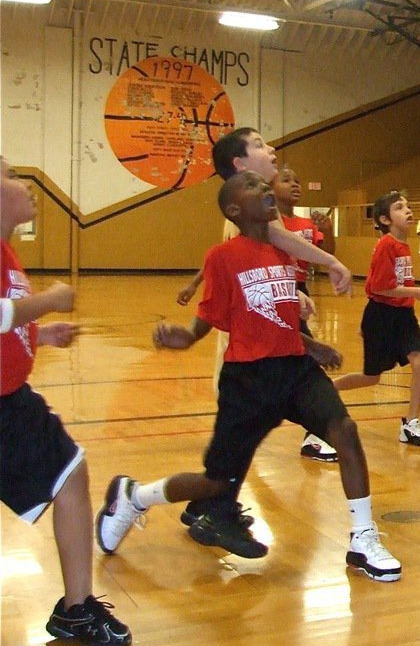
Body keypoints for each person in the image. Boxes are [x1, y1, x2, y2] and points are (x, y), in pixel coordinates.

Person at [98, 171, 402, 582]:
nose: (264, 189)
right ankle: (135, 496)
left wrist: (312, 346)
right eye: (253, 187)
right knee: (213, 483)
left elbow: (272, 317)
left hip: (295, 370)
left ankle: (363, 538)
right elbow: (212, 319)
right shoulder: (222, 257)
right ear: (234, 210)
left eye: (265, 185)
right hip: (248, 381)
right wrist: (185, 337)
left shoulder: (284, 253)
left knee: (344, 430)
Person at [0, 156, 133, 646]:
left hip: (12, 402)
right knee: (70, 474)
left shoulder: (7, 253)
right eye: (10, 175)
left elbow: (7, 318)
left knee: (71, 471)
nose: (25, 183)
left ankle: (77, 609)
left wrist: (40, 332)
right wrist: (51, 300)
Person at [176, 128, 350, 469]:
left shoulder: (261, 210)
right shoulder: (247, 216)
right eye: (259, 145)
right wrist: (328, 264)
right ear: (240, 164)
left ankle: (213, 499)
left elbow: (277, 250)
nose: (271, 149)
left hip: (269, 347)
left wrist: (292, 292)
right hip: (250, 357)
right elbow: (242, 287)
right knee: (229, 458)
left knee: (237, 455)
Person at [333, 191, 420, 448]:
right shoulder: (386, 245)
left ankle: (411, 423)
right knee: (372, 377)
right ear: (385, 219)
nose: (408, 210)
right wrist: (417, 292)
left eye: (408, 206)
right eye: (400, 207)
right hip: (382, 316)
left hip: (403, 316)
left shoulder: (403, 244)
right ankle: (326, 389)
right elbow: (378, 287)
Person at [273, 166, 339, 463]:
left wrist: (329, 229)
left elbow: (329, 253)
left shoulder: (305, 223)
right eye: (286, 180)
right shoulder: (270, 222)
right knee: (304, 359)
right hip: (278, 291)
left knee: (304, 359)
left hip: (299, 291)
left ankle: (312, 436)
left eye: (297, 179)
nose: (294, 184)